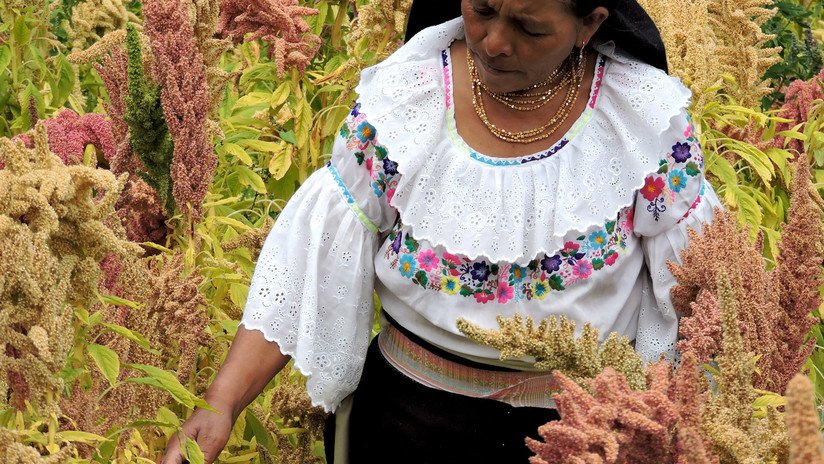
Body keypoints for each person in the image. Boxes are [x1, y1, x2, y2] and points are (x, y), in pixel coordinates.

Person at [162, 0, 721, 462]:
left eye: (529, 28)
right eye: (482, 10)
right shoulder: (409, 97)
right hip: (406, 426)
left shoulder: (640, 120)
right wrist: (222, 405)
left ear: (590, 25)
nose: (494, 42)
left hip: (582, 432)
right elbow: (316, 256)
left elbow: (699, 295)